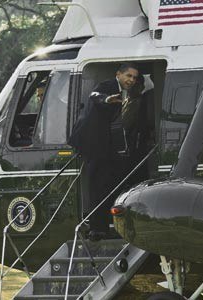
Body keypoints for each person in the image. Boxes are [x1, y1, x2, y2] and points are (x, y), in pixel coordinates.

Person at [69, 63, 140, 240]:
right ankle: (96, 229)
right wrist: (107, 99)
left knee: (107, 182)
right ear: (118, 74)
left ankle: (105, 225)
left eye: (134, 77)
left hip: (104, 144)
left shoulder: (124, 92)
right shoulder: (108, 86)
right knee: (97, 185)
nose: (131, 80)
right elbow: (95, 96)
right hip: (92, 143)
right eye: (128, 76)